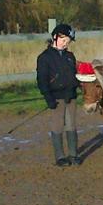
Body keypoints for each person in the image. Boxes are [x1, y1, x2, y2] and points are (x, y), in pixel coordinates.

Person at [36, 22, 81, 166]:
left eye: (67, 42)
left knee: (71, 125)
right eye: (63, 40)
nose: (65, 44)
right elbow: (42, 80)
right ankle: (60, 156)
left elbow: (74, 74)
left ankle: (73, 154)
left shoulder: (70, 56)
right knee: (57, 126)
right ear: (55, 37)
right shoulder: (44, 58)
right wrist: (48, 98)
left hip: (71, 96)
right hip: (56, 97)